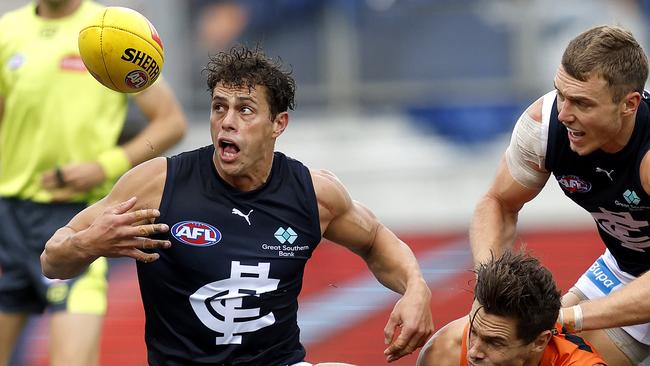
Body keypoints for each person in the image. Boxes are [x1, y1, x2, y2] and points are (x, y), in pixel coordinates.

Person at [39, 45, 433, 366]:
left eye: (244, 110)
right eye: (218, 107)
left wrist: (415, 288)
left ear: (278, 124)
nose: (227, 121)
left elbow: (377, 240)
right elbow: (53, 259)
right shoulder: (157, 183)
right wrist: (88, 244)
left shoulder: (313, 194)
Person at [0, 1, 187, 366]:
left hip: (77, 222)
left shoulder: (111, 28)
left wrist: (103, 168)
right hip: (9, 219)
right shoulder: (7, 31)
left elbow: (171, 123)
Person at [469, 24, 650, 365]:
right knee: (490, 348)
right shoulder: (543, 124)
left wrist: (571, 317)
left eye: (582, 103)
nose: (565, 114)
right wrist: (487, 292)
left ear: (629, 104)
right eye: (562, 94)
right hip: (626, 266)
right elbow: (498, 203)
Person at [416, 250, 606, 365]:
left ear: (539, 342)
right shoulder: (445, 353)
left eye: (494, 342)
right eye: (473, 331)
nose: (474, 352)